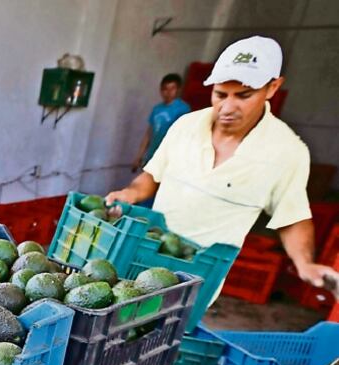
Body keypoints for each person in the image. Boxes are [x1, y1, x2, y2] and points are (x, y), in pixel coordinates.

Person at [107, 36, 337, 290]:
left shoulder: (287, 151)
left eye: (243, 95)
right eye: (220, 94)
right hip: (146, 260)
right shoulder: (186, 126)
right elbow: (151, 177)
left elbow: (292, 218)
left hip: (199, 280)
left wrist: (305, 264)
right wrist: (130, 193)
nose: (227, 107)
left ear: (273, 87)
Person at [131, 73, 190, 172]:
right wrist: (139, 156)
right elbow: (148, 134)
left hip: (168, 160)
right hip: (152, 156)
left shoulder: (183, 109)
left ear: (179, 89)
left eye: (172, 88)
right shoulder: (156, 109)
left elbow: (184, 136)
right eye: (165, 89)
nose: (168, 92)